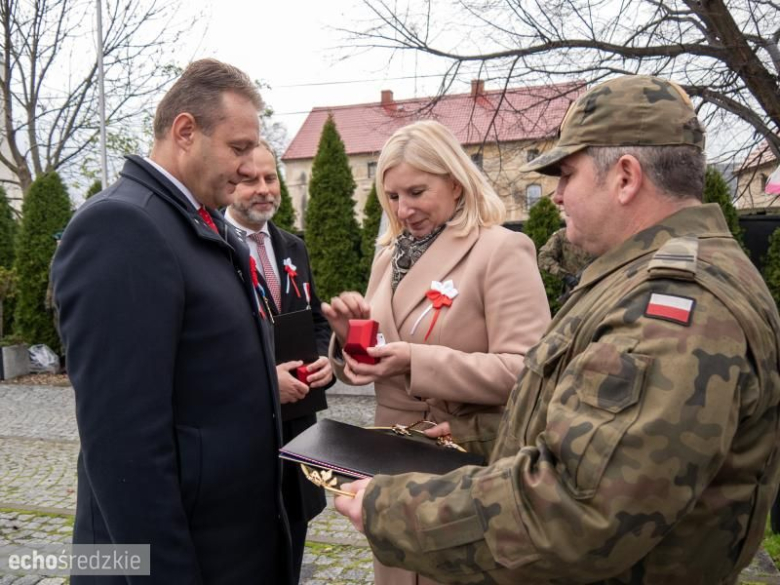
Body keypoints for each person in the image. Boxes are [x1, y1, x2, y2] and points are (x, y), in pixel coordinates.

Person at [333, 75, 780, 583]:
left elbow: (573, 509)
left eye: (567, 174)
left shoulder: (674, 309)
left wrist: (388, 506)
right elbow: (587, 424)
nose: (557, 195)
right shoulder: (644, 278)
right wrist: (477, 432)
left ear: (626, 177)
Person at [52, 59, 293, 584]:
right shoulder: (122, 226)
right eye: (237, 148)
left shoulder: (198, 224)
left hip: (227, 547)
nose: (246, 164)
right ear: (186, 132)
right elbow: (124, 444)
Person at [322, 120, 551, 585]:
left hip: (461, 460)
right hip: (389, 460)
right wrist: (352, 340)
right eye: (392, 196)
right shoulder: (389, 255)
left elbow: (527, 372)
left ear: (455, 182)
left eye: (417, 192)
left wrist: (416, 361)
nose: (403, 209)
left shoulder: (501, 250)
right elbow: (373, 361)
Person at [224, 141, 334, 583]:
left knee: (295, 533)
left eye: (271, 178)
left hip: (300, 426)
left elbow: (314, 318)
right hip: (245, 431)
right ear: (228, 182)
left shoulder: (293, 247)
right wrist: (265, 381)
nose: (264, 189)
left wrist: (326, 358)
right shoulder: (212, 246)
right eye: (250, 179)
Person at [537, 226, 594, 293]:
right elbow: (544, 258)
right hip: (573, 288)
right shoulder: (562, 235)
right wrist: (565, 276)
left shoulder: (600, 235)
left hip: (598, 285)